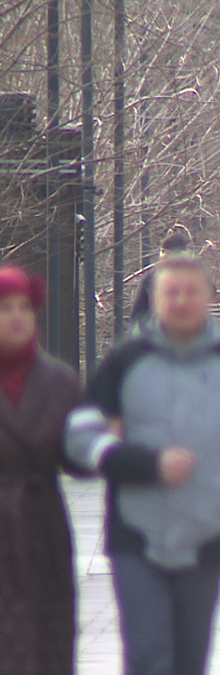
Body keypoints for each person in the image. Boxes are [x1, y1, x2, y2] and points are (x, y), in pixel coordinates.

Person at [65, 255, 220, 675]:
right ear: (155, 300)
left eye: (190, 292)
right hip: (135, 536)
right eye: (171, 293)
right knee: (148, 656)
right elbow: (80, 432)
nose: (181, 301)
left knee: (189, 660)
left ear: (209, 298)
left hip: (207, 536)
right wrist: (141, 464)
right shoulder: (125, 360)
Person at [0, 265, 79, 675]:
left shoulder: (60, 382)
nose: (17, 317)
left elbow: (78, 458)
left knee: (48, 641)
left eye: (24, 308)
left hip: (43, 526)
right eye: (5, 308)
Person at [129, 230, 190, 325]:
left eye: (169, 253)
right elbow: (137, 314)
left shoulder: (192, 277)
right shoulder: (150, 278)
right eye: (162, 251)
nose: (164, 256)